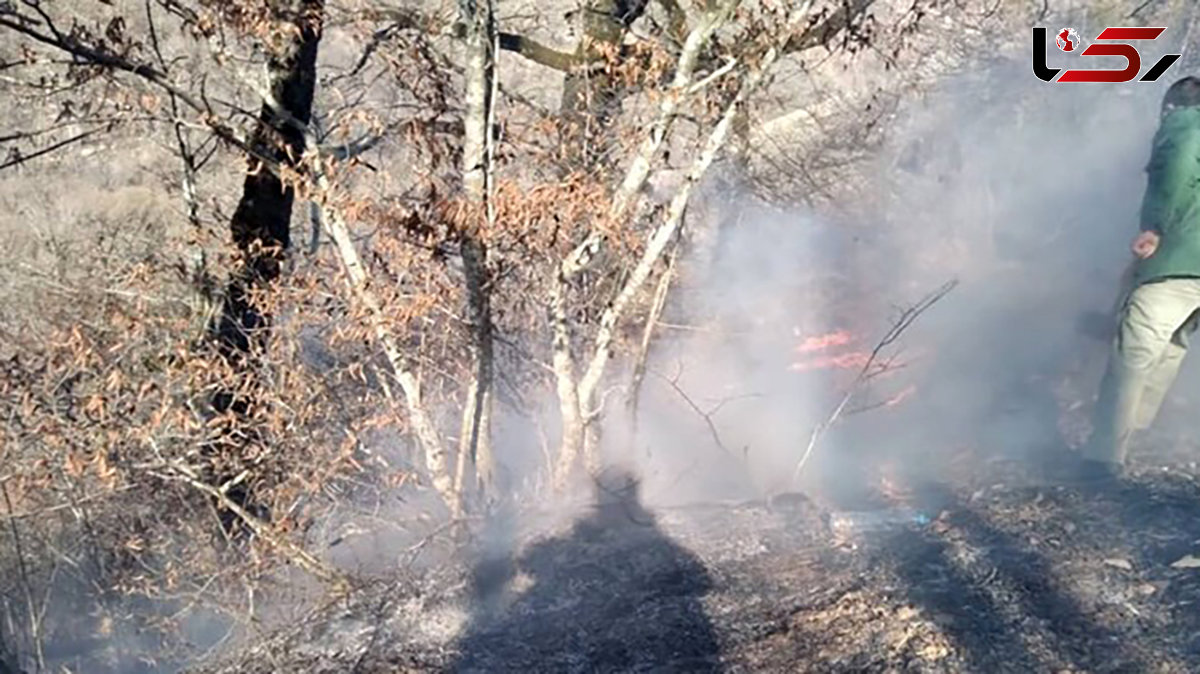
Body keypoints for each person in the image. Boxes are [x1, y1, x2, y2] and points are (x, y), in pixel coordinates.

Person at [1082, 76, 1200, 479]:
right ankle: (1134, 430)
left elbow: (1179, 168)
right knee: (1172, 343)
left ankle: (1103, 458)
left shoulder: (1186, 125)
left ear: (1173, 106)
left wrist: (1154, 226)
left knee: (1132, 355)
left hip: (1179, 259)